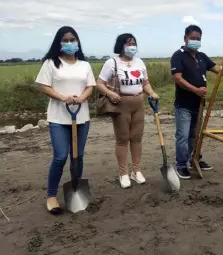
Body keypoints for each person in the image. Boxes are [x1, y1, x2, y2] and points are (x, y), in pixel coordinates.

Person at [35, 26, 96, 214]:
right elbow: (43, 86)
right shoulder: (51, 63)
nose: (69, 43)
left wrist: (82, 98)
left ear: (77, 42)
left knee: (77, 157)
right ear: (59, 42)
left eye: (72, 39)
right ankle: (52, 196)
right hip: (58, 117)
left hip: (81, 116)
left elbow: (90, 86)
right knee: (60, 156)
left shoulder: (84, 65)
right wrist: (63, 97)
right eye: (65, 40)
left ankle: (76, 189)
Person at [170, 25, 223, 179]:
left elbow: (218, 69)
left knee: (195, 135)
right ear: (185, 39)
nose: (195, 41)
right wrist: (195, 89)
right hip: (184, 105)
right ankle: (181, 165)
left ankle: (195, 158)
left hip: (199, 104)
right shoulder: (178, 56)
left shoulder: (202, 56)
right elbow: (178, 78)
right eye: (193, 38)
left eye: (198, 39)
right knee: (183, 136)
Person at [96, 34, 159, 189]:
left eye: (134, 43)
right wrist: (110, 93)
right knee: (123, 139)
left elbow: (145, 82)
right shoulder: (112, 63)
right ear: (121, 46)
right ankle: (123, 173)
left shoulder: (140, 62)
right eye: (128, 43)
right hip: (120, 104)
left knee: (137, 138)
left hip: (138, 103)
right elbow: (99, 84)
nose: (132, 46)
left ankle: (136, 171)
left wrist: (151, 93)